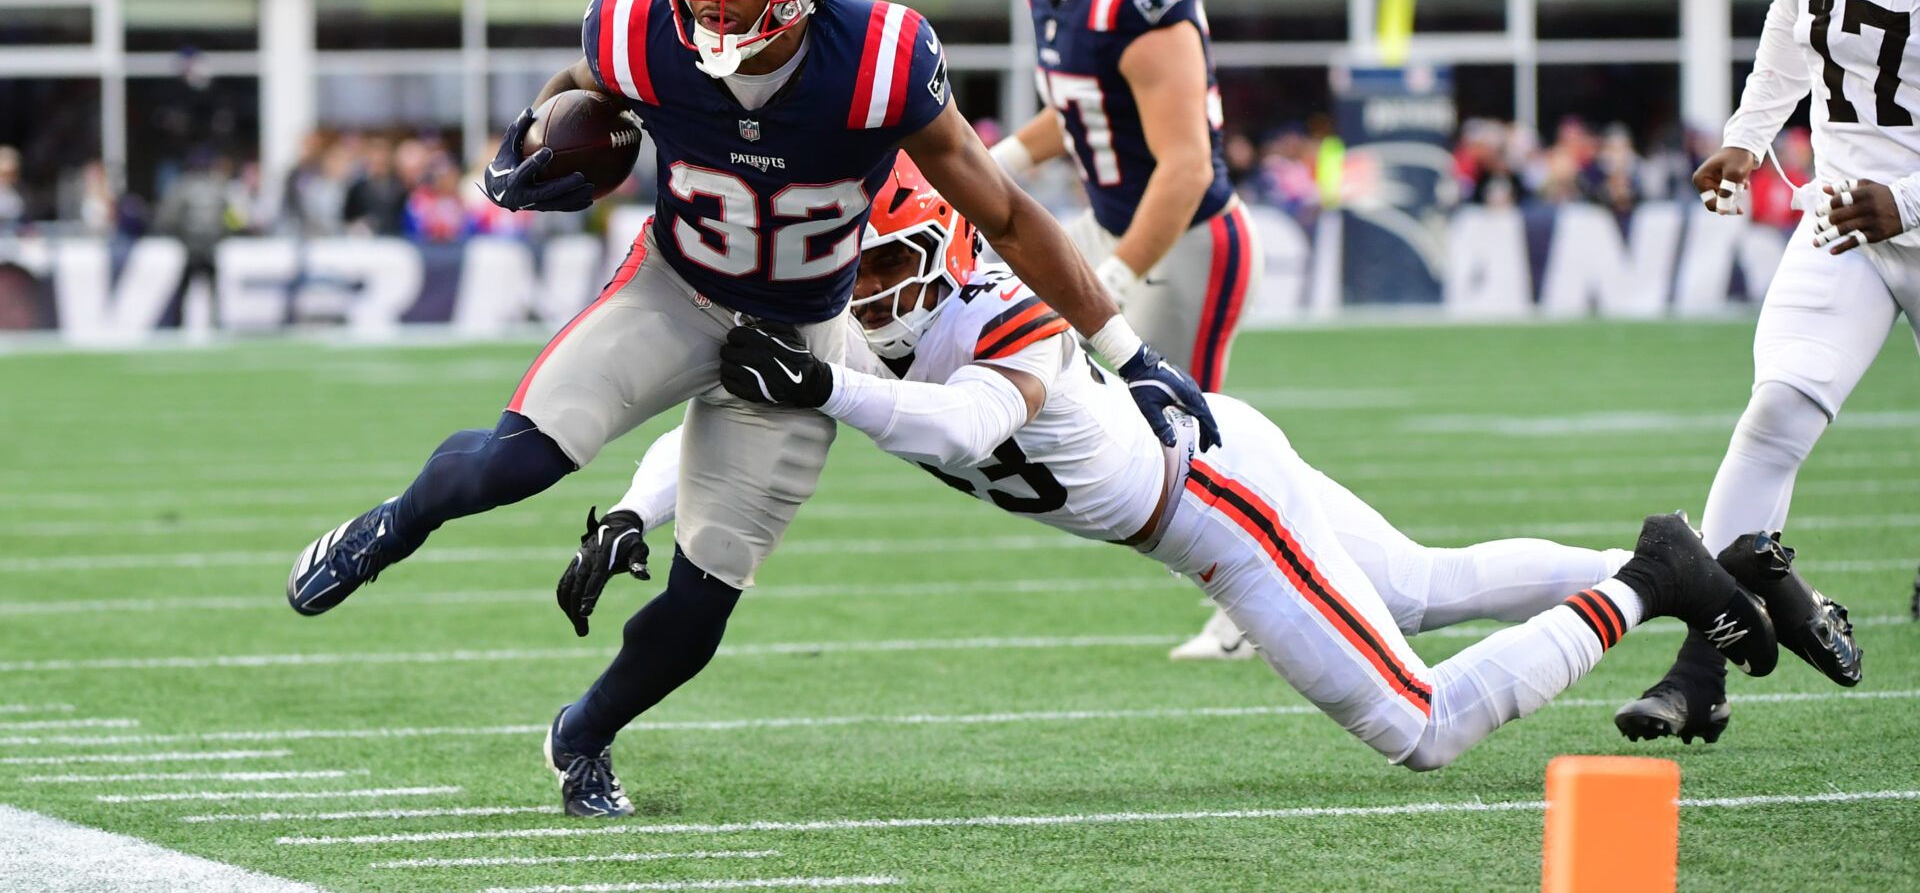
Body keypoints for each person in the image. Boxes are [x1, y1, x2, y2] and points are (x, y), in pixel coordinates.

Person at [283, 0, 1218, 817]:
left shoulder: (882, 58)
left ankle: (583, 732)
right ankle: (386, 526)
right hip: (672, 289)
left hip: (797, 338)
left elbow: (1011, 215)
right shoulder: (642, 18)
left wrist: (1131, 354)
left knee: (701, 605)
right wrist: (532, 137)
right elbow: (587, 74)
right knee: (511, 462)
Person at [560, 159, 1799, 805]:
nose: (861, 283)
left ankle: (1646, 576)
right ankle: (1698, 571)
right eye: (850, 261)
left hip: (1217, 513)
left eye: (884, 257)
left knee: (1420, 725)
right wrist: (630, 502)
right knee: (1422, 585)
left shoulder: (1010, 317)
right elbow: (738, 425)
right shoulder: (857, 328)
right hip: (1217, 454)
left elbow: (951, 424)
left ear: (942, 241)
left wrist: (824, 387)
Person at [1609, 0, 1920, 745]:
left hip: (1908, 203)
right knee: (1774, 413)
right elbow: (1799, 10)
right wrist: (1751, 133)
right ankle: (1704, 665)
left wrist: (1913, 200)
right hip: (1844, 213)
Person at [991, 0, 1259, 662]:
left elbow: (1183, 165)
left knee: (1193, 433)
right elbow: (1078, 109)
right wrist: (994, 163)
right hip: (1109, 222)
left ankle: (1259, 602)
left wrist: (1114, 274)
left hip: (1183, 240)